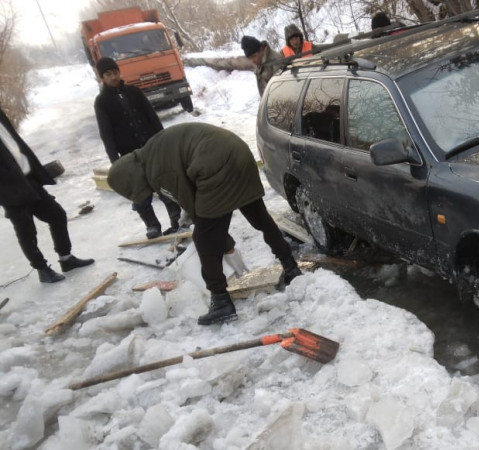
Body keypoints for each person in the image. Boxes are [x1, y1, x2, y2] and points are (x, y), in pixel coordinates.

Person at [107, 123, 303, 326]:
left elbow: (197, 211)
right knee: (260, 218)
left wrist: (222, 242)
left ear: (132, 180)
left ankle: (221, 302)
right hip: (238, 152)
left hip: (215, 166)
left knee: (203, 238)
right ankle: (290, 266)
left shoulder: (156, 171)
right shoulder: (151, 152)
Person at [0, 108, 94, 283]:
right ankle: (42, 269)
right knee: (27, 232)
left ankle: (66, 258)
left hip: (28, 179)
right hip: (9, 189)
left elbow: (15, 145)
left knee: (57, 215)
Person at [93, 56, 183, 239]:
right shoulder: (101, 102)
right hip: (128, 155)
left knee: (164, 185)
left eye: (115, 72)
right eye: (108, 74)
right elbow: (106, 134)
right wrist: (115, 162)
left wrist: (164, 140)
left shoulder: (134, 92)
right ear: (102, 78)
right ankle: (152, 225)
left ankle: (177, 219)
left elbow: (152, 117)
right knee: (139, 193)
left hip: (151, 147)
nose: (113, 76)